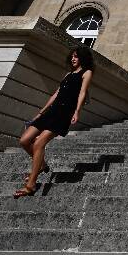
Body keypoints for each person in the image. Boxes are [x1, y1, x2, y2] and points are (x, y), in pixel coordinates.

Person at [15, 47, 94, 197]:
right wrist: (41, 112)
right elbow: (56, 94)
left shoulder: (86, 73)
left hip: (64, 113)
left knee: (39, 144)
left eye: (76, 57)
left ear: (82, 58)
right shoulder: (68, 74)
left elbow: (82, 93)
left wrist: (77, 111)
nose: (73, 59)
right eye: (71, 57)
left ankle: (31, 185)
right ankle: (42, 164)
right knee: (24, 140)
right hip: (51, 112)